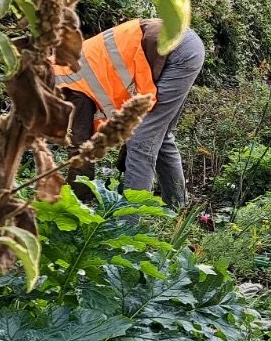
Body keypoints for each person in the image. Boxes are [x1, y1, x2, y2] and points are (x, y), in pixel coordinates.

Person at [56, 17, 205, 206]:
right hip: (183, 44)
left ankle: (128, 225)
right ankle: (179, 208)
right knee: (161, 136)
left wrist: (77, 203)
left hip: (176, 52)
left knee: (142, 141)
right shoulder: (67, 64)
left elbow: (81, 148)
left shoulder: (69, 84)